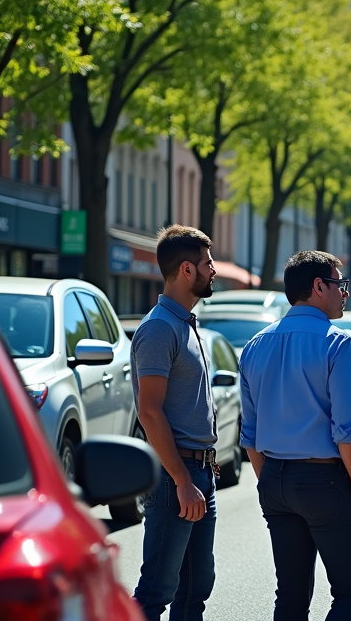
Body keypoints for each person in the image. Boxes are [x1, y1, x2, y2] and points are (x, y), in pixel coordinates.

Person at [238, 251, 351, 621]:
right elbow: (347, 429)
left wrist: (269, 477)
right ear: (318, 287)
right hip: (325, 479)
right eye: (339, 285)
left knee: (291, 598)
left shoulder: (254, 345)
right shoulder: (338, 342)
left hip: (274, 480)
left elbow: (248, 433)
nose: (344, 294)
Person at [131, 225, 218, 621]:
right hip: (175, 476)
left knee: (195, 588)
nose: (213, 270)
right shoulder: (159, 328)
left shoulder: (183, 322)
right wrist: (183, 480)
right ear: (186, 270)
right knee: (156, 591)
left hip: (200, 473)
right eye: (207, 263)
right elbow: (149, 411)